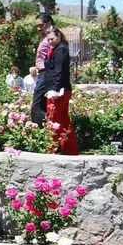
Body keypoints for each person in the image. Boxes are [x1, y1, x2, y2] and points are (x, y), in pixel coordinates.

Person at [43, 26, 78, 155]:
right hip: (58, 89)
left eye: (52, 39)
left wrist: (55, 90)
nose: (50, 41)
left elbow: (59, 71)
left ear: (58, 36)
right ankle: (69, 149)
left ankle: (51, 148)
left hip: (58, 91)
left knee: (54, 119)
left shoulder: (61, 50)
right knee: (63, 120)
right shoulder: (56, 49)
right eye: (48, 40)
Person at [30, 12, 54, 126]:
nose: (38, 28)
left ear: (48, 23)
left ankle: (41, 129)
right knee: (43, 104)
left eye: (41, 25)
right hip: (42, 73)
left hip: (46, 74)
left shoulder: (52, 38)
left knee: (37, 105)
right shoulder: (44, 38)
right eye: (37, 26)